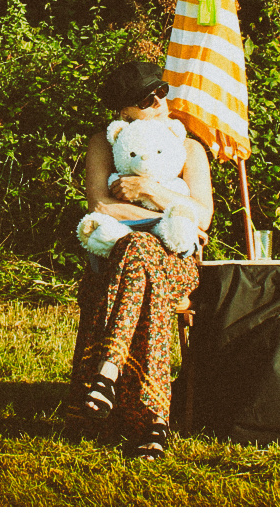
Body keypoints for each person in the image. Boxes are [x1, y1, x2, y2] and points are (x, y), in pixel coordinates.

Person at [64, 61, 214, 460]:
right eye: (149, 99)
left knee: (140, 251)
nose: (161, 103)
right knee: (138, 253)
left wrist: (149, 190)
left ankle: (107, 370)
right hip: (123, 263)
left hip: (176, 262)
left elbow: (204, 216)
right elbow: (100, 205)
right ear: (124, 113)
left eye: (162, 92)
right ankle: (152, 424)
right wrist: (175, 211)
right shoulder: (104, 143)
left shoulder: (189, 147)